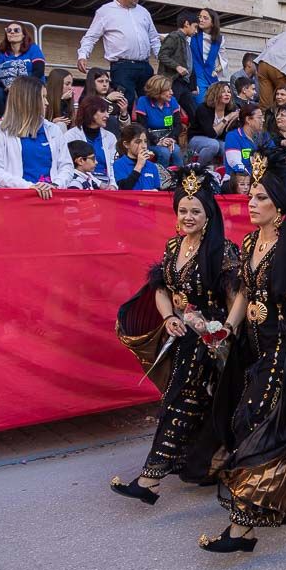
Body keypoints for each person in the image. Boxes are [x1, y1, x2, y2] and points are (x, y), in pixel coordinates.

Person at [185, 147, 286, 552]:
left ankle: (242, 529)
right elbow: (245, 295)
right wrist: (225, 329)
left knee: (256, 423)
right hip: (255, 349)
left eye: (261, 198)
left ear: (281, 205)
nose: (251, 204)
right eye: (250, 196)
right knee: (262, 424)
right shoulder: (251, 241)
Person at [111, 166, 240, 506]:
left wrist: (220, 332)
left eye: (195, 210)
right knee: (185, 407)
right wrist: (169, 316)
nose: (188, 216)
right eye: (183, 210)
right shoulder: (173, 247)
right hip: (185, 342)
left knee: (181, 407)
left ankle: (150, 479)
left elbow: (235, 301)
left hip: (212, 344)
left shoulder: (222, 251)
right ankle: (201, 466)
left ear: (208, 214)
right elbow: (160, 287)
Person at [77, 0, 161, 107]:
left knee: (150, 102)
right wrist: (83, 56)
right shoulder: (105, 11)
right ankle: (123, 127)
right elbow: (91, 37)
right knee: (124, 102)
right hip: (122, 66)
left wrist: (161, 57)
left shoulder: (143, 12)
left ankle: (144, 127)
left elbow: (154, 38)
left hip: (145, 65)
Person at [0, 76, 72, 196]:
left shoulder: (54, 130)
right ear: (29, 100)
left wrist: (56, 185)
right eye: (43, 97)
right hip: (16, 201)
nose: (47, 102)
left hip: (52, 199)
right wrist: (28, 186)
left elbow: (66, 166)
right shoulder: (1, 131)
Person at [62, 95, 118, 184]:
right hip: (80, 185)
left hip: (107, 187)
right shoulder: (70, 136)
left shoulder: (111, 138)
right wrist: (97, 184)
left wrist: (113, 185)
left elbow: (113, 166)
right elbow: (68, 167)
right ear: (90, 112)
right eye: (103, 111)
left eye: (107, 111)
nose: (107, 115)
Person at [157, 9, 200, 118]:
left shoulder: (185, 41)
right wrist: (177, 67)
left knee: (194, 112)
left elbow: (189, 64)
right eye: (195, 27)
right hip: (173, 82)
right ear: (186, 24)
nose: (196, 31)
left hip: (183, 83)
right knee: (170, 111)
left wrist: (193, 86)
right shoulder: (174, 37)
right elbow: (162, 55)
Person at [133, 75, 181, 167]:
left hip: (169, 138)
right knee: (164, 152)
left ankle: (180, 178)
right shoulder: (143, 101)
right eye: (168, 90)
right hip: (150, 140)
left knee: (177, 151)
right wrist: (158, 141)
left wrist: (171, 139)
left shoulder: (172, 101)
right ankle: (161, 178)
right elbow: (142, 127)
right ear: (157, 91)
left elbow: (178, 125)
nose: (172, 92)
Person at [187, 82, 238, 166]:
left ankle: (226, 174)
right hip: (197, 138)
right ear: (215, 93)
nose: (227, 94)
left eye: (229, 92)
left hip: (217, 140)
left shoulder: (231, 109)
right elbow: (211, 134)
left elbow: (228, 134)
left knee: (229, 146)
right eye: (223, 91)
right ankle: (199, 170)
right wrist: (227, 118)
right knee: (213, 145)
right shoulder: (203, 108)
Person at [113, 124, 163, 191]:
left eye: (145, 141)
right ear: (126, 144)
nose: (144, 146)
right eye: (138, 142)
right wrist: (139, 166)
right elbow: (124, 188)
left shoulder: (152, 166)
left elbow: (158, 190)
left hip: (148, 201)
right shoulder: (119, 164)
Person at [224, 103, 267, 175]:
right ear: (248, 120)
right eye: (259, 117)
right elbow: (235, 163)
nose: (263, 120)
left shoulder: (264, 136)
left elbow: (273, 154)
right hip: (237, 181)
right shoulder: (233, 136)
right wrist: (251, 179)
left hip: (259, 179)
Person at [190, 8, 224, 98]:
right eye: (200, 17)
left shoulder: (220, 39)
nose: (201, 20)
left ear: (213, 23)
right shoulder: (192, 35)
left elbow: (223, 60)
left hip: (211, 77)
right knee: (199, 102)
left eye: (205, 18)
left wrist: (217, 70)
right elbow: (177, 36)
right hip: (196, 76)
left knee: (214, 104)